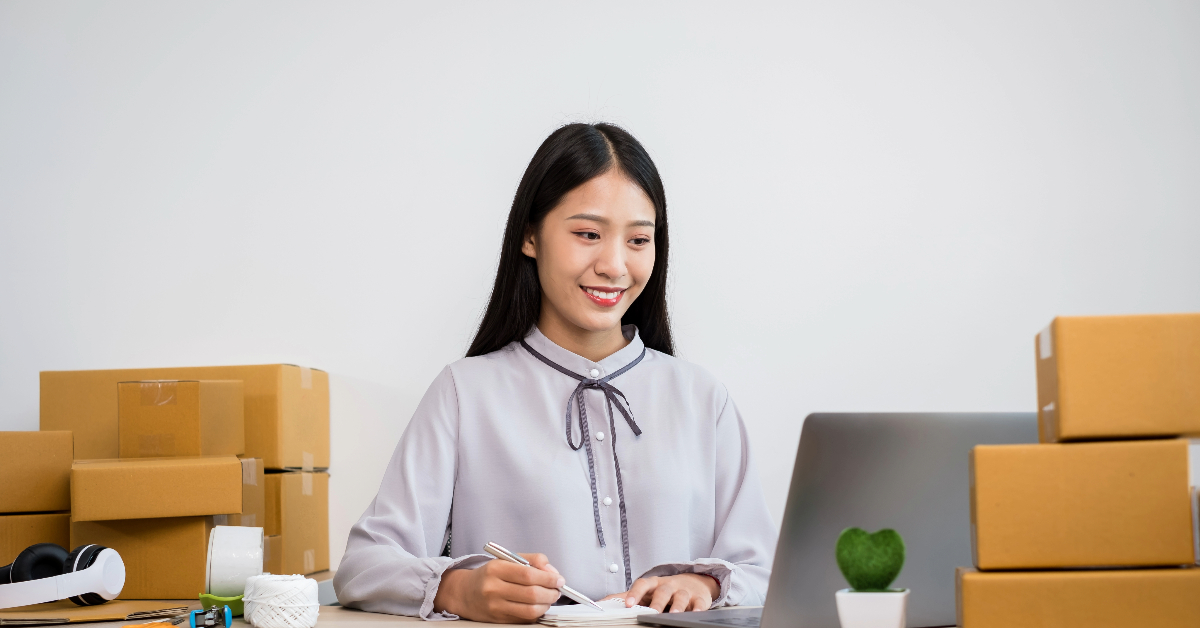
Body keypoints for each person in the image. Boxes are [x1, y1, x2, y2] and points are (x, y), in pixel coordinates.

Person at [333, 123, 777, 623]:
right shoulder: (465, 393)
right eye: (587, 234)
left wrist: (703, 582)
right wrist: (458, 590)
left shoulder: (702, 397)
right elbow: (362, 566)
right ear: (530, 236)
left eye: (638, 240)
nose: (613, 265)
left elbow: (766, 570)